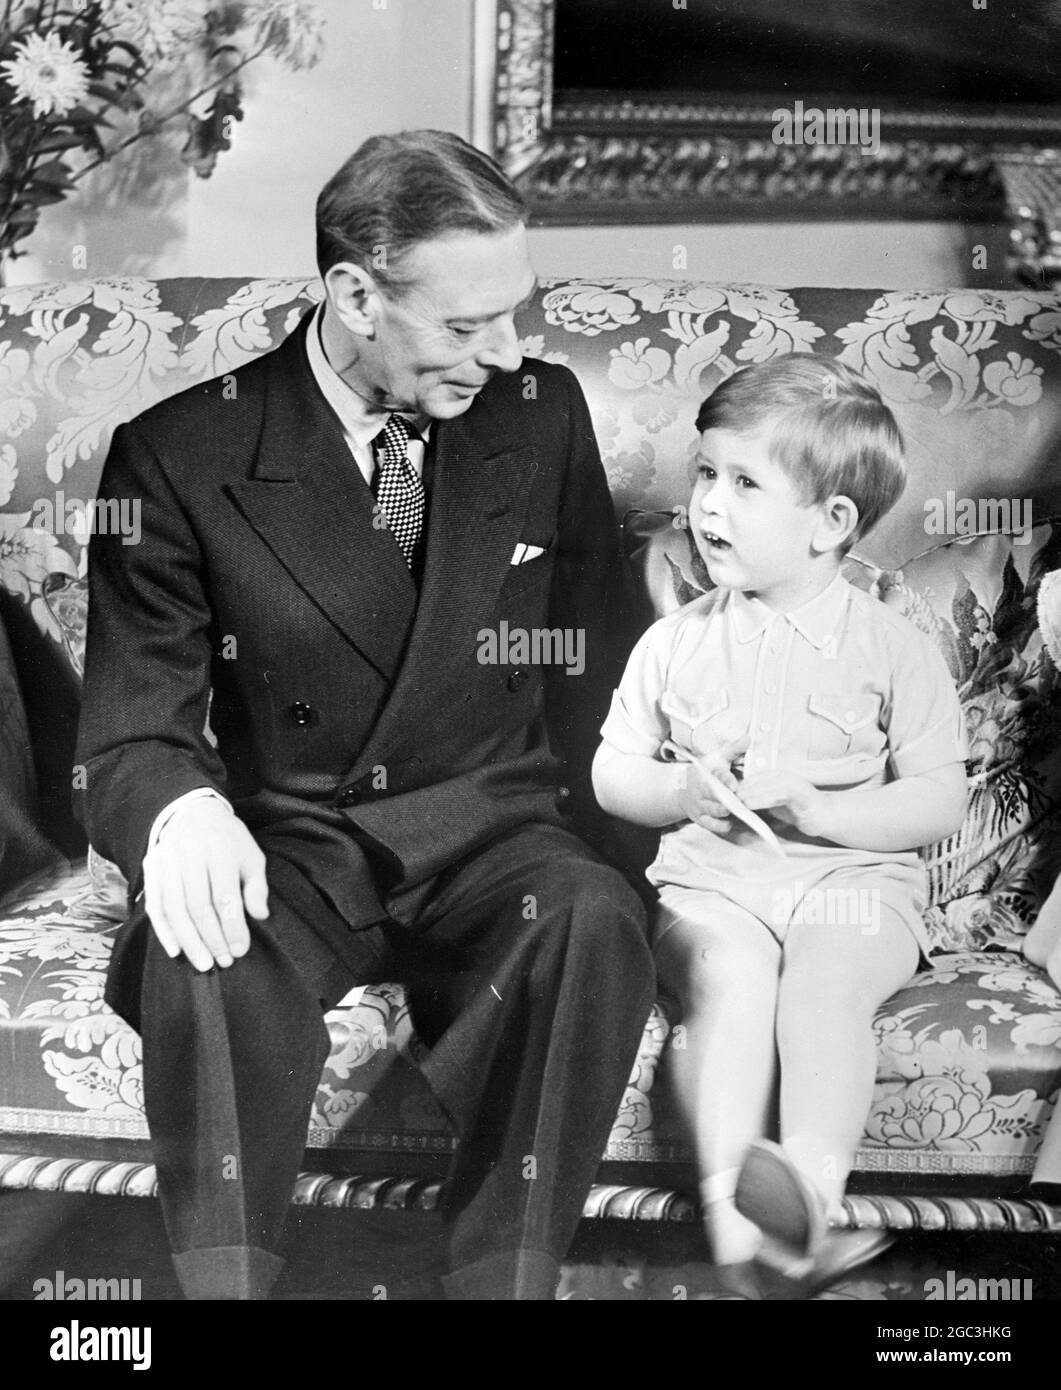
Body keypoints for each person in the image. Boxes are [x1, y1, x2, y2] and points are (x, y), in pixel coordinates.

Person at [75, 129, 655, 1301]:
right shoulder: (178, 456)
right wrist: (178, 812)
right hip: (294, 841)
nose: (503, 353)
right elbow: (128, 732)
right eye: (463, 324)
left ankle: (503, 1282)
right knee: (201, 953)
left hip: (494, 831)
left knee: (591, 916)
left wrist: (657, 829)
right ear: (351, 293)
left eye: (515, 313)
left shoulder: (538, 413)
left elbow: (600, 658)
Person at [592, 357, 969, 1297]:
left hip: (851, 884)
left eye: (744, 484)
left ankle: (805, 1188)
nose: (707, 505)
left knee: (825, 986)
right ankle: (732, 1218)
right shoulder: (672, 639)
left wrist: (824, 811)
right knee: (729, 983)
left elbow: (937, 799)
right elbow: (610, 773)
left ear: (830, 524)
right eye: (704, 474)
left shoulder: (892, 645)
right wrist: (683, 796)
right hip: (715, 884)